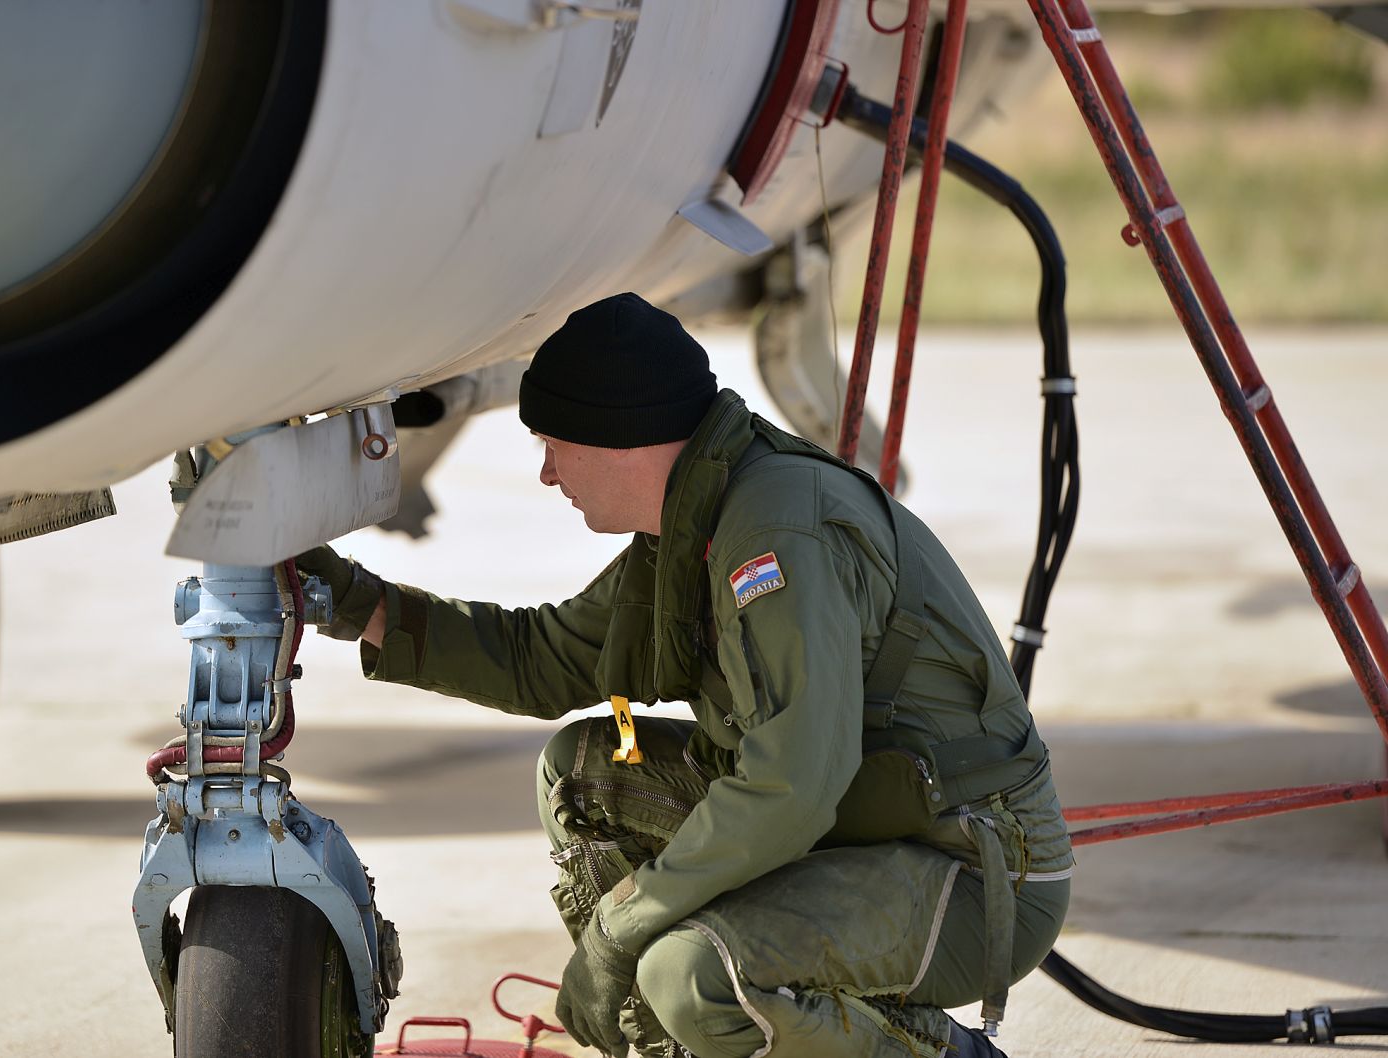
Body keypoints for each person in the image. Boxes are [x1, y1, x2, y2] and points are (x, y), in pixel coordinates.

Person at [299, 293, 1073, 1058]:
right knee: (581, 773)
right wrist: (349, 599)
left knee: (695, 976)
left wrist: (618, 930)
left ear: (620, 438)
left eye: (553, 445)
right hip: (863, 828)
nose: (545, 474)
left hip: (970, 868)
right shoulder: (701, 516)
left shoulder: (775, 533)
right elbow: (545, 658)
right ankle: (674, 1048)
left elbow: (793, 785)